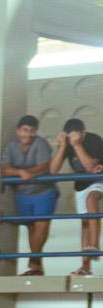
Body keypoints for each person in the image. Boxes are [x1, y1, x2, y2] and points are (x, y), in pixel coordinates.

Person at [1, 114, 57, 276]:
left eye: (32, 131)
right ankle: (37, 266)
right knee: (31, 227)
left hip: (44, 191)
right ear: (18, 130)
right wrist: (20, 172)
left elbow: (44, 166)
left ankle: (34, 262)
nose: (28, 134)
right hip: (23, 193)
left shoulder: (41, 143)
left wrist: (27, 173)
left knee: (42, 225)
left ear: (36, 132)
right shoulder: (11, 147)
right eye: (25, 130)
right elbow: (4, 168)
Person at [52, 118, 103, 276]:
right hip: (81, 185)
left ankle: (94, 246)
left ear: (83, 133)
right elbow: (53, 170)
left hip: (98, 180)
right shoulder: (67, 143)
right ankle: (85, 267)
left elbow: (89, 166)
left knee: (91, 199)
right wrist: (62, 146)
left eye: (77, 136)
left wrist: (77, 144)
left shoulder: (93, 139)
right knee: (85, 223)